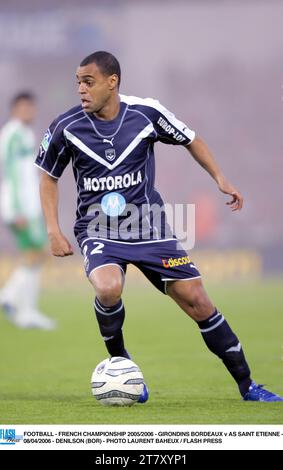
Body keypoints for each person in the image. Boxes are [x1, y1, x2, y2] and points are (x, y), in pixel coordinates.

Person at [35, 51, 282, 402]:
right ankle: (121, 361)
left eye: (88, 82)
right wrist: (53, 229)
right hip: (98, 228)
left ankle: (249, 386)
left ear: (112, 82)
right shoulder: (66, 126)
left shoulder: (146, 114)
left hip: (149, 228)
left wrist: (220, 178)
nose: (81, 90)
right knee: (108, 288)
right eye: (78, 82)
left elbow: (190, 138)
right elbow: (48, 176)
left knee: (198, 301)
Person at [0, 92, 56, 330]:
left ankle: (26, 313)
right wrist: (16, 209)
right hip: (20, 207)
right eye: (23, 107)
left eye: (31, 107)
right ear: (14, 109)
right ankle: (8, 297)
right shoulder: (12, 134)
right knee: (39, 253)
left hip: (28, 205)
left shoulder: (24, 133)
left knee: (33, 256)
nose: (28, 111)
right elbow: (9, 172)